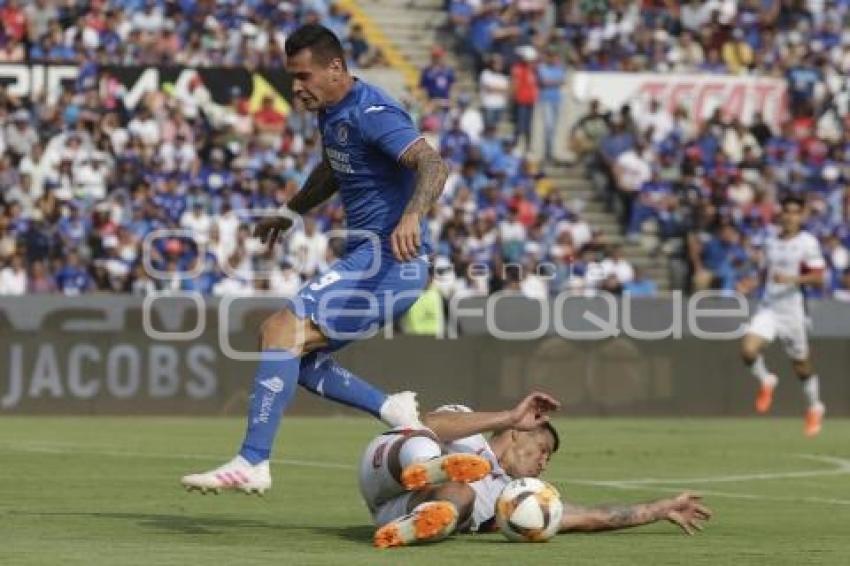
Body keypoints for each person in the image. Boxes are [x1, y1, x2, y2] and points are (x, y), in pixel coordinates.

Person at [181, 25, 449, 494]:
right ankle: (392, 410)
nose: (297, 87)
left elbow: (433, 164)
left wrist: (411, 216)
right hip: (369, 260)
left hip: (387, 261)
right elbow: (334, 167)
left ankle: (253, 461)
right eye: (292, 77)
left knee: (279, 331)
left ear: (336, 68)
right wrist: (290, 212)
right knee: (293, 358)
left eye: (304, 76)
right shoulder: (333, 112)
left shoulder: (374, 111)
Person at [361, 392, 712, 548]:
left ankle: (419, 525)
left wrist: (660, 509)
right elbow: (431, 422)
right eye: (543, 450)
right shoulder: (474, 435)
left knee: (461, 494)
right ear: (516, 434)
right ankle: (428, 467)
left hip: (396, 511)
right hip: (387, 466)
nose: (544, 463)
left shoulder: (513, 500)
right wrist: (509, 416)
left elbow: (591, 516)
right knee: (421, 438)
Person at [740, 196, 827, 436]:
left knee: (801, 367)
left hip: (792, 311)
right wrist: (750, 283)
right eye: (786, 212)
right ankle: (766, 380)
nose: (789, 217)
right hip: (769, 307)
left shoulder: (807, 242)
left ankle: (815, 407)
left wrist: (792, 279)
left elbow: (818, 277)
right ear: (781, 215)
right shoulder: (770, 243)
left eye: (794, 212)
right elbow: (765, 273)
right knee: (748, 350)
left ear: (801, 216)